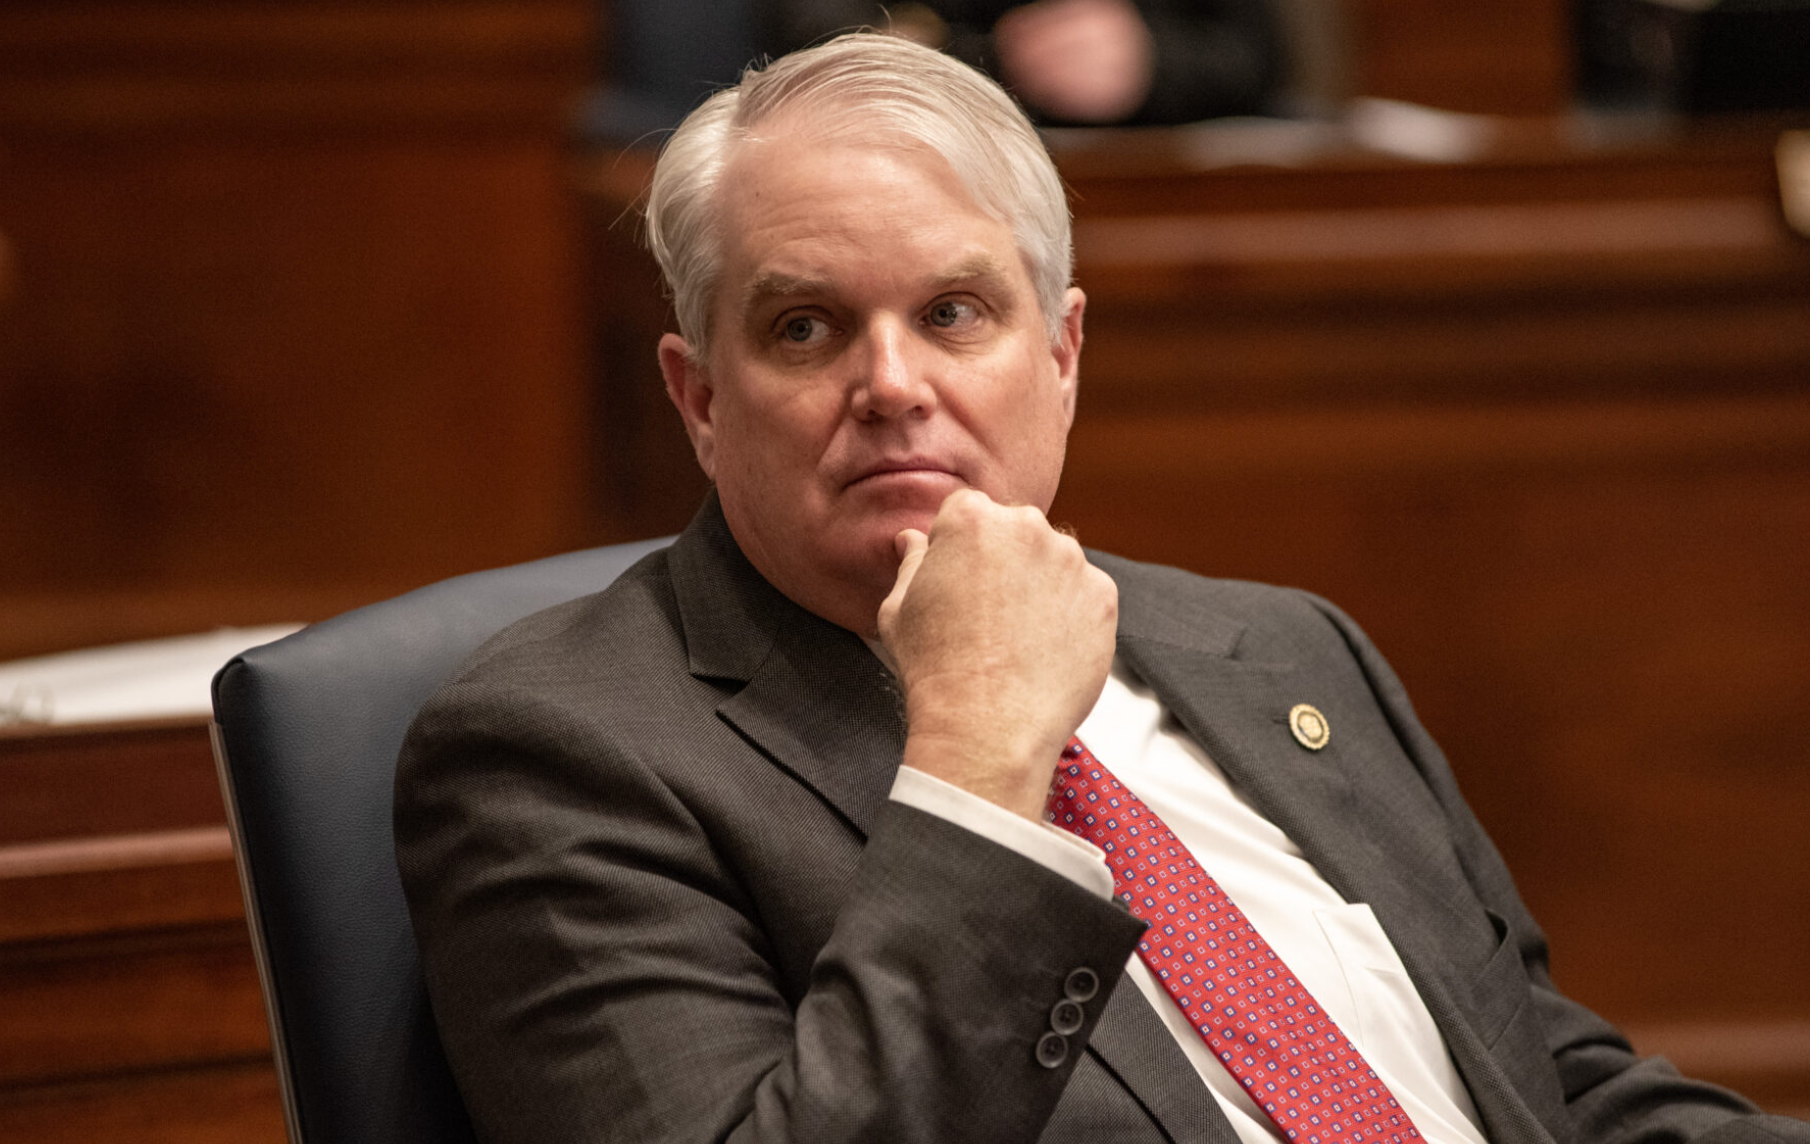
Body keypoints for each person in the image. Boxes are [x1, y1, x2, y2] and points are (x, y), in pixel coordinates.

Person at [396, 32, 1808, 1144]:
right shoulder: (563, 753)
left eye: (953, 313)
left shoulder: (1276, 645)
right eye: (805, 327)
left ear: (1059, 355)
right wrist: (978, 759)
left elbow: (1542, 1082)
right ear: (701, 401)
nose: (893, 386)